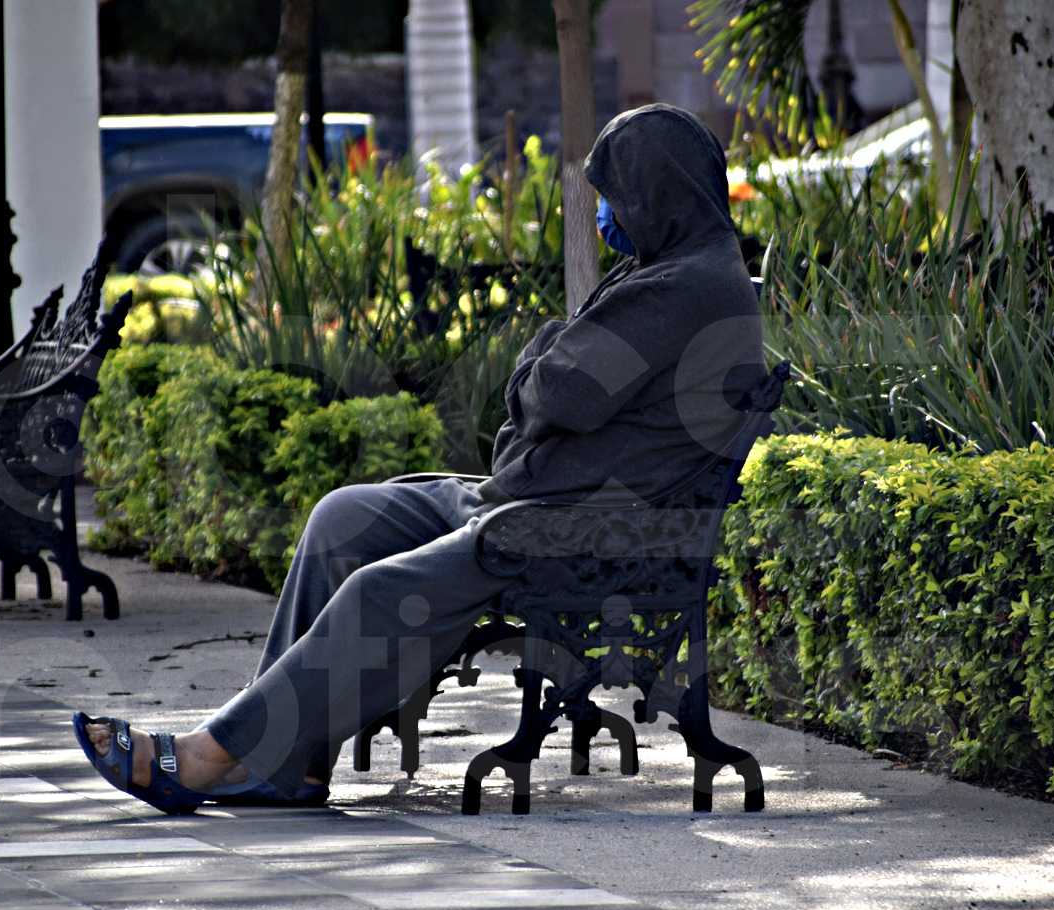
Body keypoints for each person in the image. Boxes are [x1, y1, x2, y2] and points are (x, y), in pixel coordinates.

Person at [74, 103, 765, 811]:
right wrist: (549, 359)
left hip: (578, 525)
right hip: (531, 497)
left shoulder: (685, 288)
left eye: (617, 195)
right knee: (345, 517)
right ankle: (294, 764)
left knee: (378, 592)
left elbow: (559, 393)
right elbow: (556, 382)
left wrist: (541, 353)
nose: (607, 212)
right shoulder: (670, 267)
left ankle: (206, 755)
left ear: (659, 191)